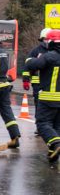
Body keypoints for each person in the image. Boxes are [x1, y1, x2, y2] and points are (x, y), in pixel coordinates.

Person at [24, 29, 60, 162]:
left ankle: (56, 144)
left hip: (49, 98)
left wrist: (30, 59)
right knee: (57, 126)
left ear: (51, 42)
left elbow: (31, 64)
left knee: (43, 123)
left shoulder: (49, 56)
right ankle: (53, 152)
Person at [22, 28, 50, 134]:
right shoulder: (36, 51)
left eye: (49, 39)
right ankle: (39, 127)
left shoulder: (55, 51)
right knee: (39, 105)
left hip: (51, 84)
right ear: (42, 39)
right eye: (45, 39)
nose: (47, 41)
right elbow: (27, 66)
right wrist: (26, 80)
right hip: (37, 84)